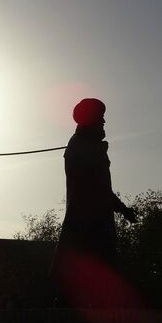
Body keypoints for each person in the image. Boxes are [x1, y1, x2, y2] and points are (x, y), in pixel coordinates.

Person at [51, 98, 137, 307]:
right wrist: (123, 209)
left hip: (93, 220)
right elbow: (97, 188)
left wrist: (122, 210)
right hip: (88, 222)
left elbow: (101, 189)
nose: (104, 122)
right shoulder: (82, 148)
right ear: (91, 121)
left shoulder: (87, 146)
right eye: (100, 118)